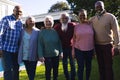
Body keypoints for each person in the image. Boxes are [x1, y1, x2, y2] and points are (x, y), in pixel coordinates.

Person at [90, 1, 120, 80]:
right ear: (95, 8)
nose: (98, 7)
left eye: (100, 6)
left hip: (108, 45)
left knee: (108, 66)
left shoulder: (110, 17)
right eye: (97, 6)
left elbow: (116, 32)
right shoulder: (92, 19)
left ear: (103, 6)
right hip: (97, 46)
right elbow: (84, 24)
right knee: (101, 66)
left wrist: (117, 45)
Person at [0, 6, 23, 80]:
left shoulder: (20, 22)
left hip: (16, 50)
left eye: (20, 12)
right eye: (17, 11)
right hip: (6, 49)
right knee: (8, 70)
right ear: (13, 11)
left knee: (16, 69)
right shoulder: (6, 19)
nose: (19, 13)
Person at [38, 15, 63, 80]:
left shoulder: (55, 31)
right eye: (46, 21)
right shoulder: (42, 32)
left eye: (50, 21)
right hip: (47, 56)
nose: (48, 22)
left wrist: (61, 52)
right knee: (48, 71)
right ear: (44, 23)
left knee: (55, 71)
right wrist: (40, 55)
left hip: (56, 55)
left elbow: (59, 43)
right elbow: (40, 45)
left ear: (52, 22)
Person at [72, 9, 94, 80]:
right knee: (80, 67)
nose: (82, 17)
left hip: (90, 49)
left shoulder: (91, 24)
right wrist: (73, 51)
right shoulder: (76, 27)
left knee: (88, 66)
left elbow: (94, 37)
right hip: (79, 49)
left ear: (86, 16)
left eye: (84, 15)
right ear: (78, 16)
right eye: (80, 15)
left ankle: (87, 78)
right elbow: (74, 39)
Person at [54, 12, 76, 80]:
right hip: (62, 49)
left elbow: (79, 27)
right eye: (62, 18)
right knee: (64, 64)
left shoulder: (72, 25)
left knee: (72, 64)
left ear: (68, 19)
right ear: (60, 19)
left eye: (66, 18)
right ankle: (67, 78)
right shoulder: (57, 27)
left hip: (71, 48)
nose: (64, 19)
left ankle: (73, 78)